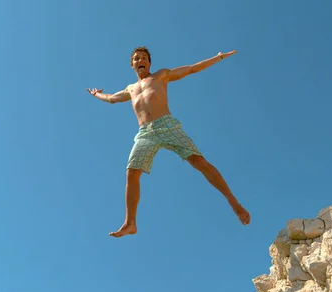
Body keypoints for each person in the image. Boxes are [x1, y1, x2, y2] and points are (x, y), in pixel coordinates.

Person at [87, 46, 251, 238]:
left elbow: (191, 69)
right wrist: (96, 94)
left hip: (167, 126)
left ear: (149, 63)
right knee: (132, 171)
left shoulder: (161, 75)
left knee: (199, 162)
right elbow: (112, 98)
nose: (140, 61)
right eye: (136, 59)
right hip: (145, 133)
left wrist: (218, 57)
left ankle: (232, 200)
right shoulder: (130, 89)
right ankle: (130, 223)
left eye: (144, 58)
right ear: (132, 64)